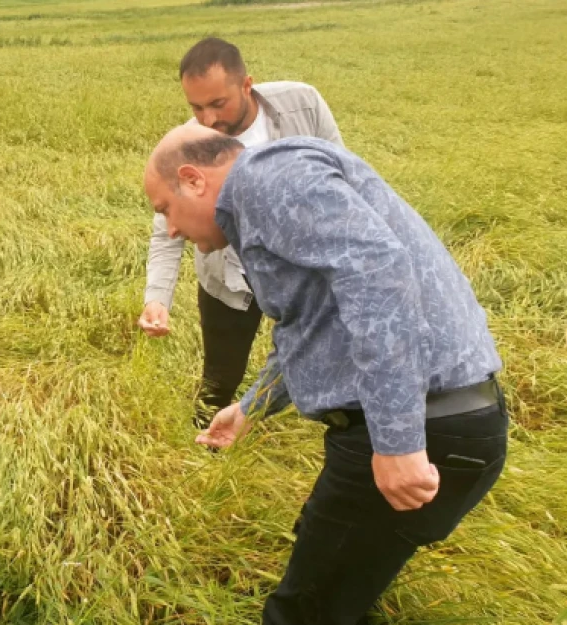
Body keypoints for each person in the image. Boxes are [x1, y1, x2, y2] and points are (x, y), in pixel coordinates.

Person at [143, 125, 507, 624]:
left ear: (193, 179)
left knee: (303, 611)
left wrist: (398, 442)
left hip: (422, 424)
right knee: (333, 579)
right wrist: (251, 407)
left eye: (164, 208)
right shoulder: (267, 193)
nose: (170, 231)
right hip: (443, 420)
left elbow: (377, 274)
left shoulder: (266, 179)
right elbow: (318, 326)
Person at [138, 37, 344, 427]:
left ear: (247, 85)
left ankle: (310, 420)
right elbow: (166, 228)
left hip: (299, 269)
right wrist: (157, 298)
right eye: (196, 108)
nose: (210, 120)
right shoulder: (191, 142)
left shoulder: (302, 104)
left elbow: (339, 175)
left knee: (311, 353)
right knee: (220, 375)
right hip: (228, 278)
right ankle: (208, 439)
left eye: (219, 104)